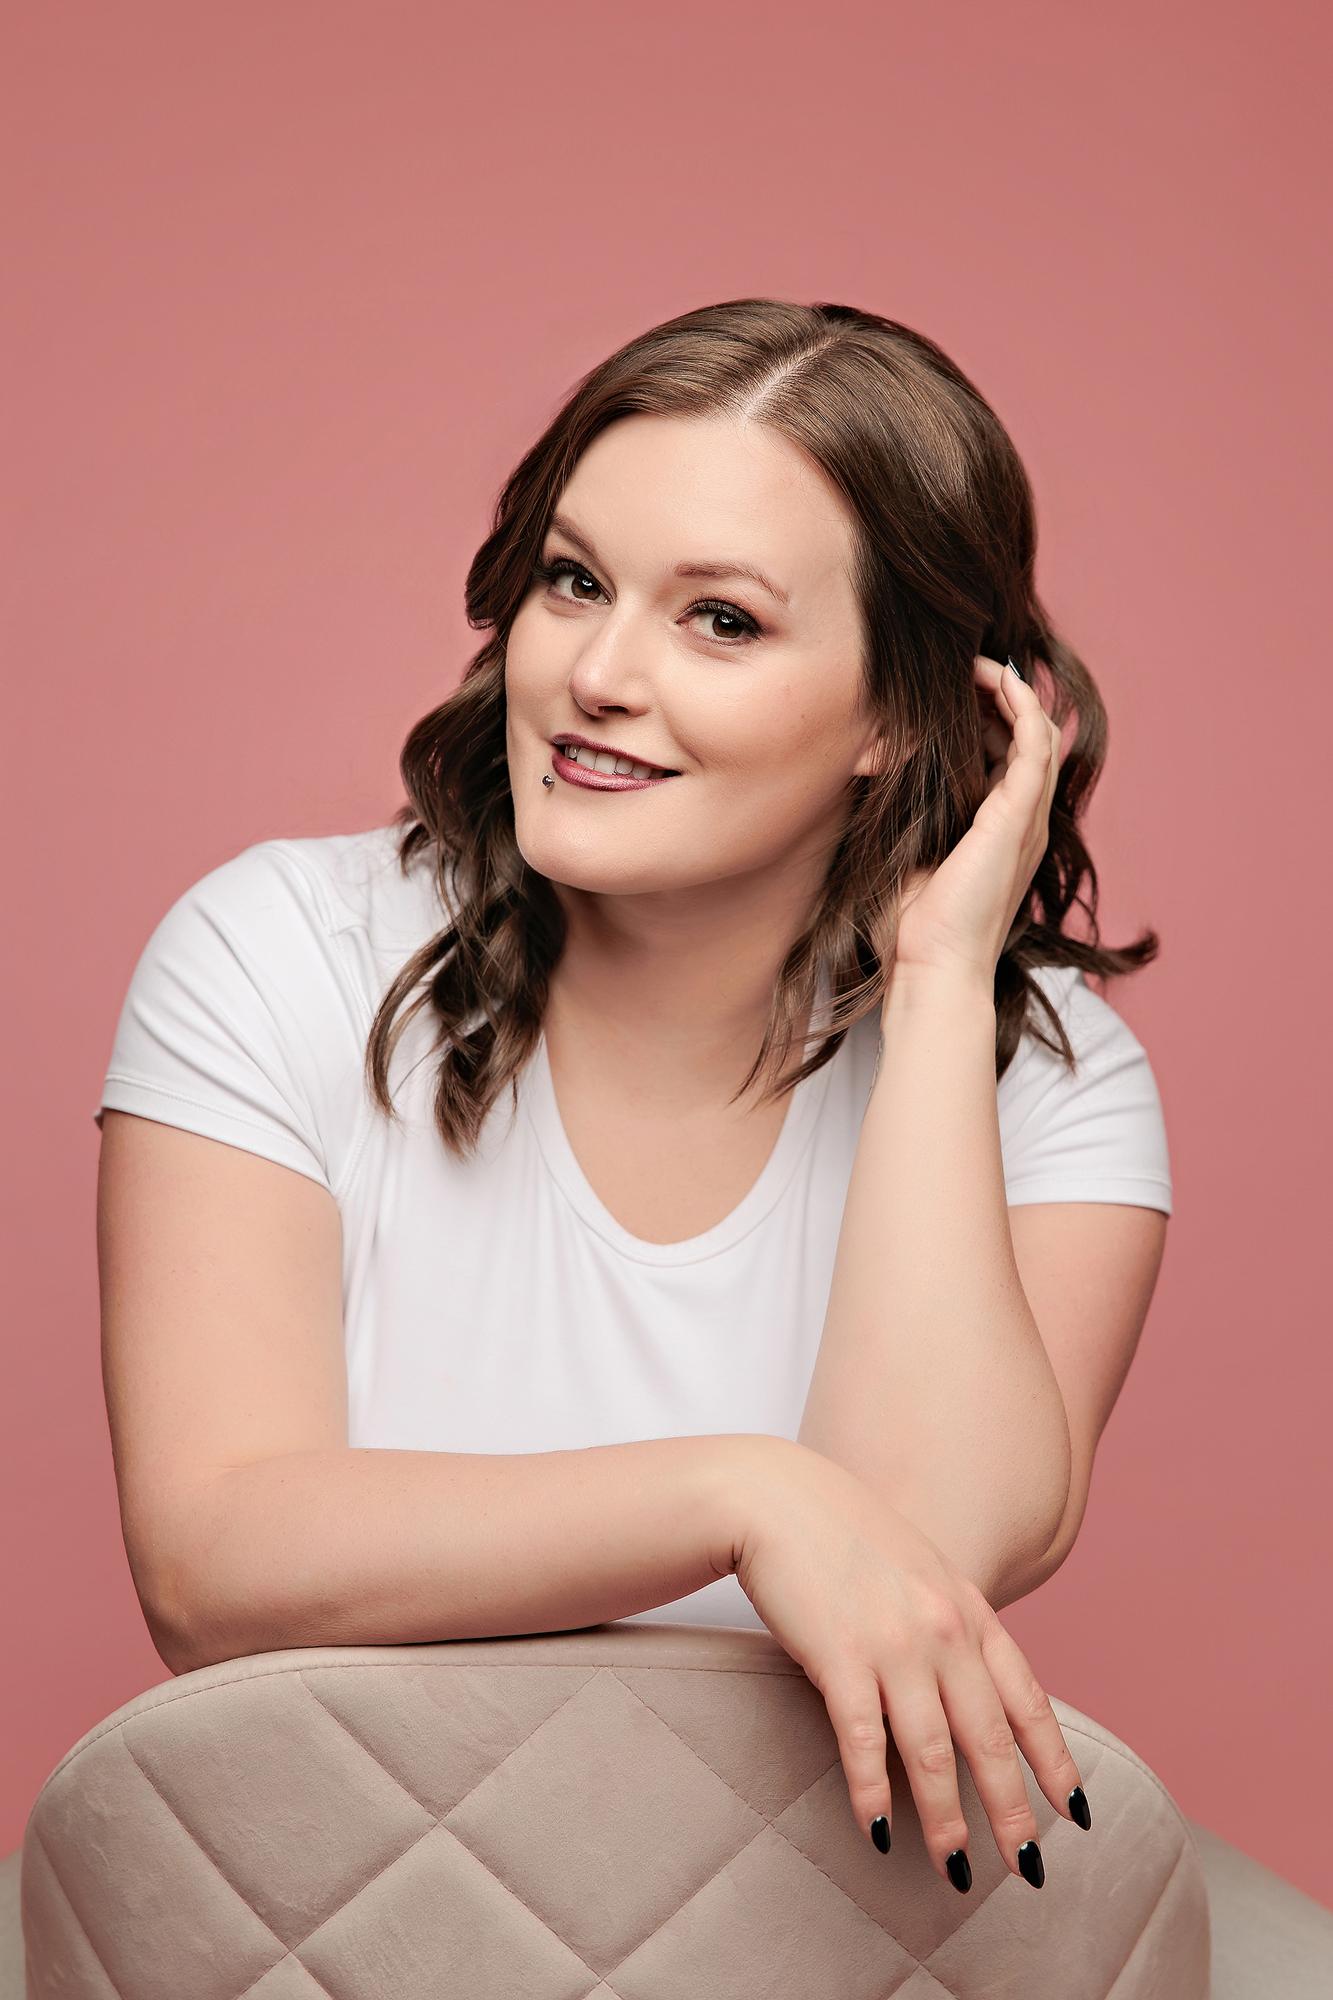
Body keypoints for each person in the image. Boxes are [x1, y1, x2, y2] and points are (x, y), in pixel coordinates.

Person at [94, 298, 1171, 1896]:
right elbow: (214, 1562)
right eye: (573, 581)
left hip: (802, 1931)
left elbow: (921, 1541)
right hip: (334, 1914)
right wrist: (736, 1493)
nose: (594, 674)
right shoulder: (275, 951)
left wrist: (941, 991)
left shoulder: (1046, 1080)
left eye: (718, 621)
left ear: (893, 715)